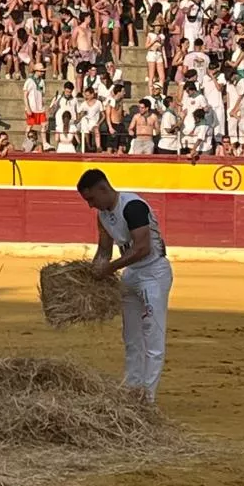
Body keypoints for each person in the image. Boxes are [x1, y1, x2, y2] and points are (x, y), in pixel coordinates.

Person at [76, 167, 173, 405]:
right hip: (131, 274)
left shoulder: (133, 206)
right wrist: (93, 273)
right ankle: (132, 392)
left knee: (152, 336)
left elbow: (143, 248)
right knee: (131, 337)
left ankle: (147, 399)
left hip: (153, 273)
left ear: (103, 188)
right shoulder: (102, 216)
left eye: (91, 199)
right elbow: (105, 251)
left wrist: (108, 269)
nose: (91, 205)